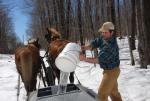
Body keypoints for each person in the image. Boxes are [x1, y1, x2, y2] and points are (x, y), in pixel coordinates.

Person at [80, 22, 122, 101]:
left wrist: (84, 59)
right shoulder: (104, 38)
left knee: (102, 94)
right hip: (109, 70)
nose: (103, 34)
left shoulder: (110, 46)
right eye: (102, 32)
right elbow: (94, 44)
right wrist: (83, 48)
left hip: (111, 72)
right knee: (114, 93)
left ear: (111, 32)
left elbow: (98, 60)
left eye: (105, 32)